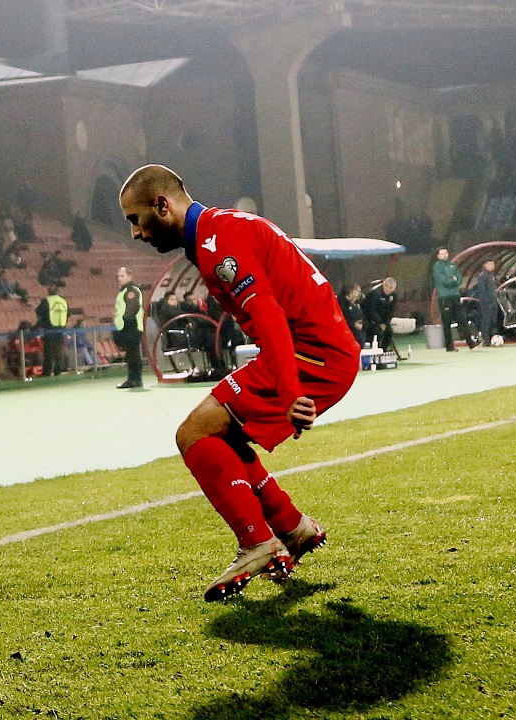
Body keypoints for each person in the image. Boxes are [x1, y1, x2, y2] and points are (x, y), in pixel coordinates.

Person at [119, 165, 360, 601]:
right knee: (222, 434)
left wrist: (291, 393)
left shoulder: (217, 242)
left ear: (162, 205)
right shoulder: (217, 229)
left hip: (310, 353)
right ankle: (292, 527)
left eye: (135, 220)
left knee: (193, 434)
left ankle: (258, 542)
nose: (135, 233)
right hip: (320, 349)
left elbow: (267, 314)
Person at [433, 247, 480, 351]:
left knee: (462, 319)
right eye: (442, 254)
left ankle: (471, 343)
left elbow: (459, 279)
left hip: (456, 296)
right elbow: (444, 281)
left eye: (446, 253)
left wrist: (453, 280)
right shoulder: (437, 266)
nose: (444, 255)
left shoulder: (452, 265)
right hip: (444, 297)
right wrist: (453, 280)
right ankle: (449, 346)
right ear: (438, 256)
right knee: (447, 323)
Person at [113, 266, 144, 389]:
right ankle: (135, 379)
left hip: (131, 326)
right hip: (129, 326)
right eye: (118, 276)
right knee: (132, 354)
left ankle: (134, 379)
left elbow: (132, 307)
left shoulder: (131, 290)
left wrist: (126, 321)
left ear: (130, 277)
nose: (119, 278)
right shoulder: (124, 291)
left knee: (133, 354)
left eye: (122, 276)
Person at [35, 286, 68, 377]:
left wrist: (41, 323)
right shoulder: (63, 301)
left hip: (49, 330)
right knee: (58, 352)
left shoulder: (47, 301)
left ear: (49, 292)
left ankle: (47, 373)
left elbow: (39, 311)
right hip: (61, 330)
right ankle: (58, 371)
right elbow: (68, 314)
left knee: (49, 353)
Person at [362, 277, 398, 352]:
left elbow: (391, 311)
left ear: (394, 288)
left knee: (389, 332)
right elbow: (371, 310)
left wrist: (386, 323)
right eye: (386, 286)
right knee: (377, 331)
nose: (388, 289)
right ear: (383, 285)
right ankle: (375, 351)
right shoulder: (374, 293)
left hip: (382, 318)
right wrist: (380, 323)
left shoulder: (394, 295)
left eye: (391, 287)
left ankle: (383, 351)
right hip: (368, 318)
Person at [472, 260, 500, 342]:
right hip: (486, 303)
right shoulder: (482, 276)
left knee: (493, 321)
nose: (491, 266)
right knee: (486, 321)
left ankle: (491, 337)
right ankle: (486, 339)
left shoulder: (491, 276)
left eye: (493, 264)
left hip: (493, 301)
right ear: (485, 265)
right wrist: (486, 301)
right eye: (489, 264)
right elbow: (482, 290)